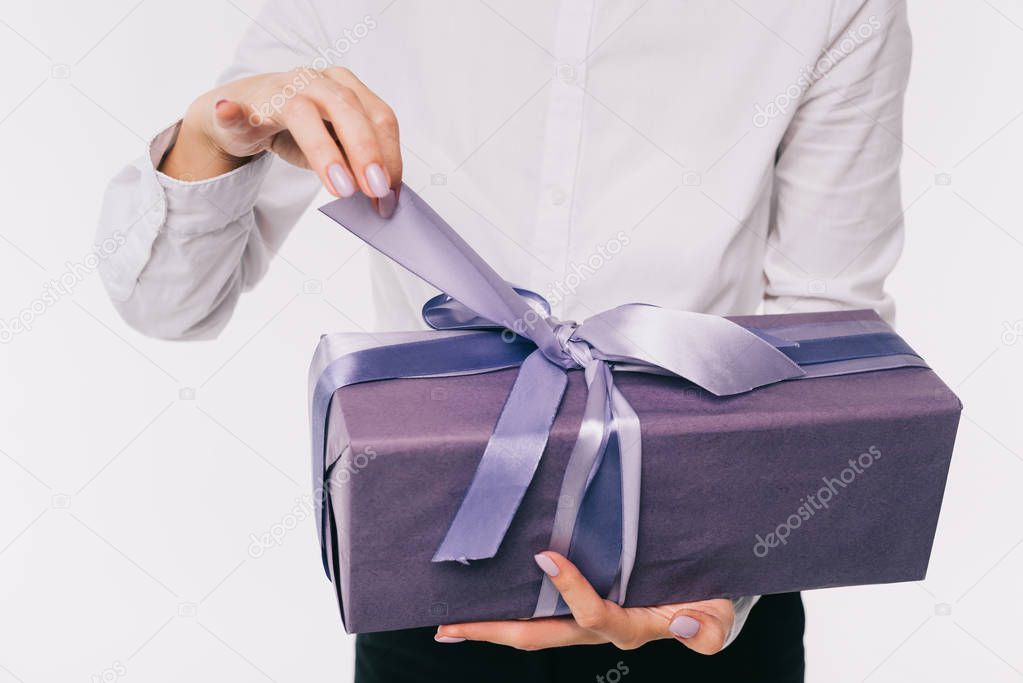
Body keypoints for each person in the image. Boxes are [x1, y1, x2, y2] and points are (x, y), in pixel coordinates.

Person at [95, 1, 911, 680]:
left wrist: (720, 593)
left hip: (709, 590)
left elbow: (826, 321)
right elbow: (171, 305)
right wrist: (211, 134)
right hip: (431, 580)